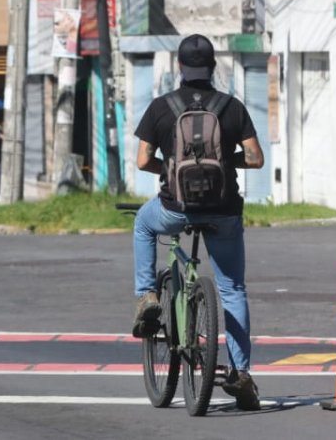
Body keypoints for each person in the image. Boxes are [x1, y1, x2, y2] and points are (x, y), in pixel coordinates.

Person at [131, 34, 264, 411]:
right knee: (233, 289)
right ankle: (241, 374)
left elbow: (142, 160)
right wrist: (223, 163)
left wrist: (170, 169)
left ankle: (148, 295)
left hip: (176, 208)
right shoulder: (231, 106)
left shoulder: (161, 107)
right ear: (213, 67)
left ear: (179, 67)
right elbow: (255, 158)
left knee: (143, 224)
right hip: (224, 210)